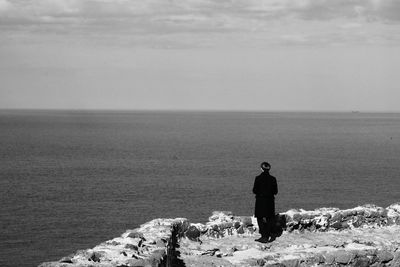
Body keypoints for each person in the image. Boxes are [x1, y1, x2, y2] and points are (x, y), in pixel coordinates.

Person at [253, 161, 278, 243]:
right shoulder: (273, 179)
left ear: (261, 169)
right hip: (270, 201)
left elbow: (254, 190)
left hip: (260, 201)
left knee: (260, 218)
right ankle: (267, 235)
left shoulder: (258, 178)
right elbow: (275, 191)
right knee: (269, 218)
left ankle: (264, 236)